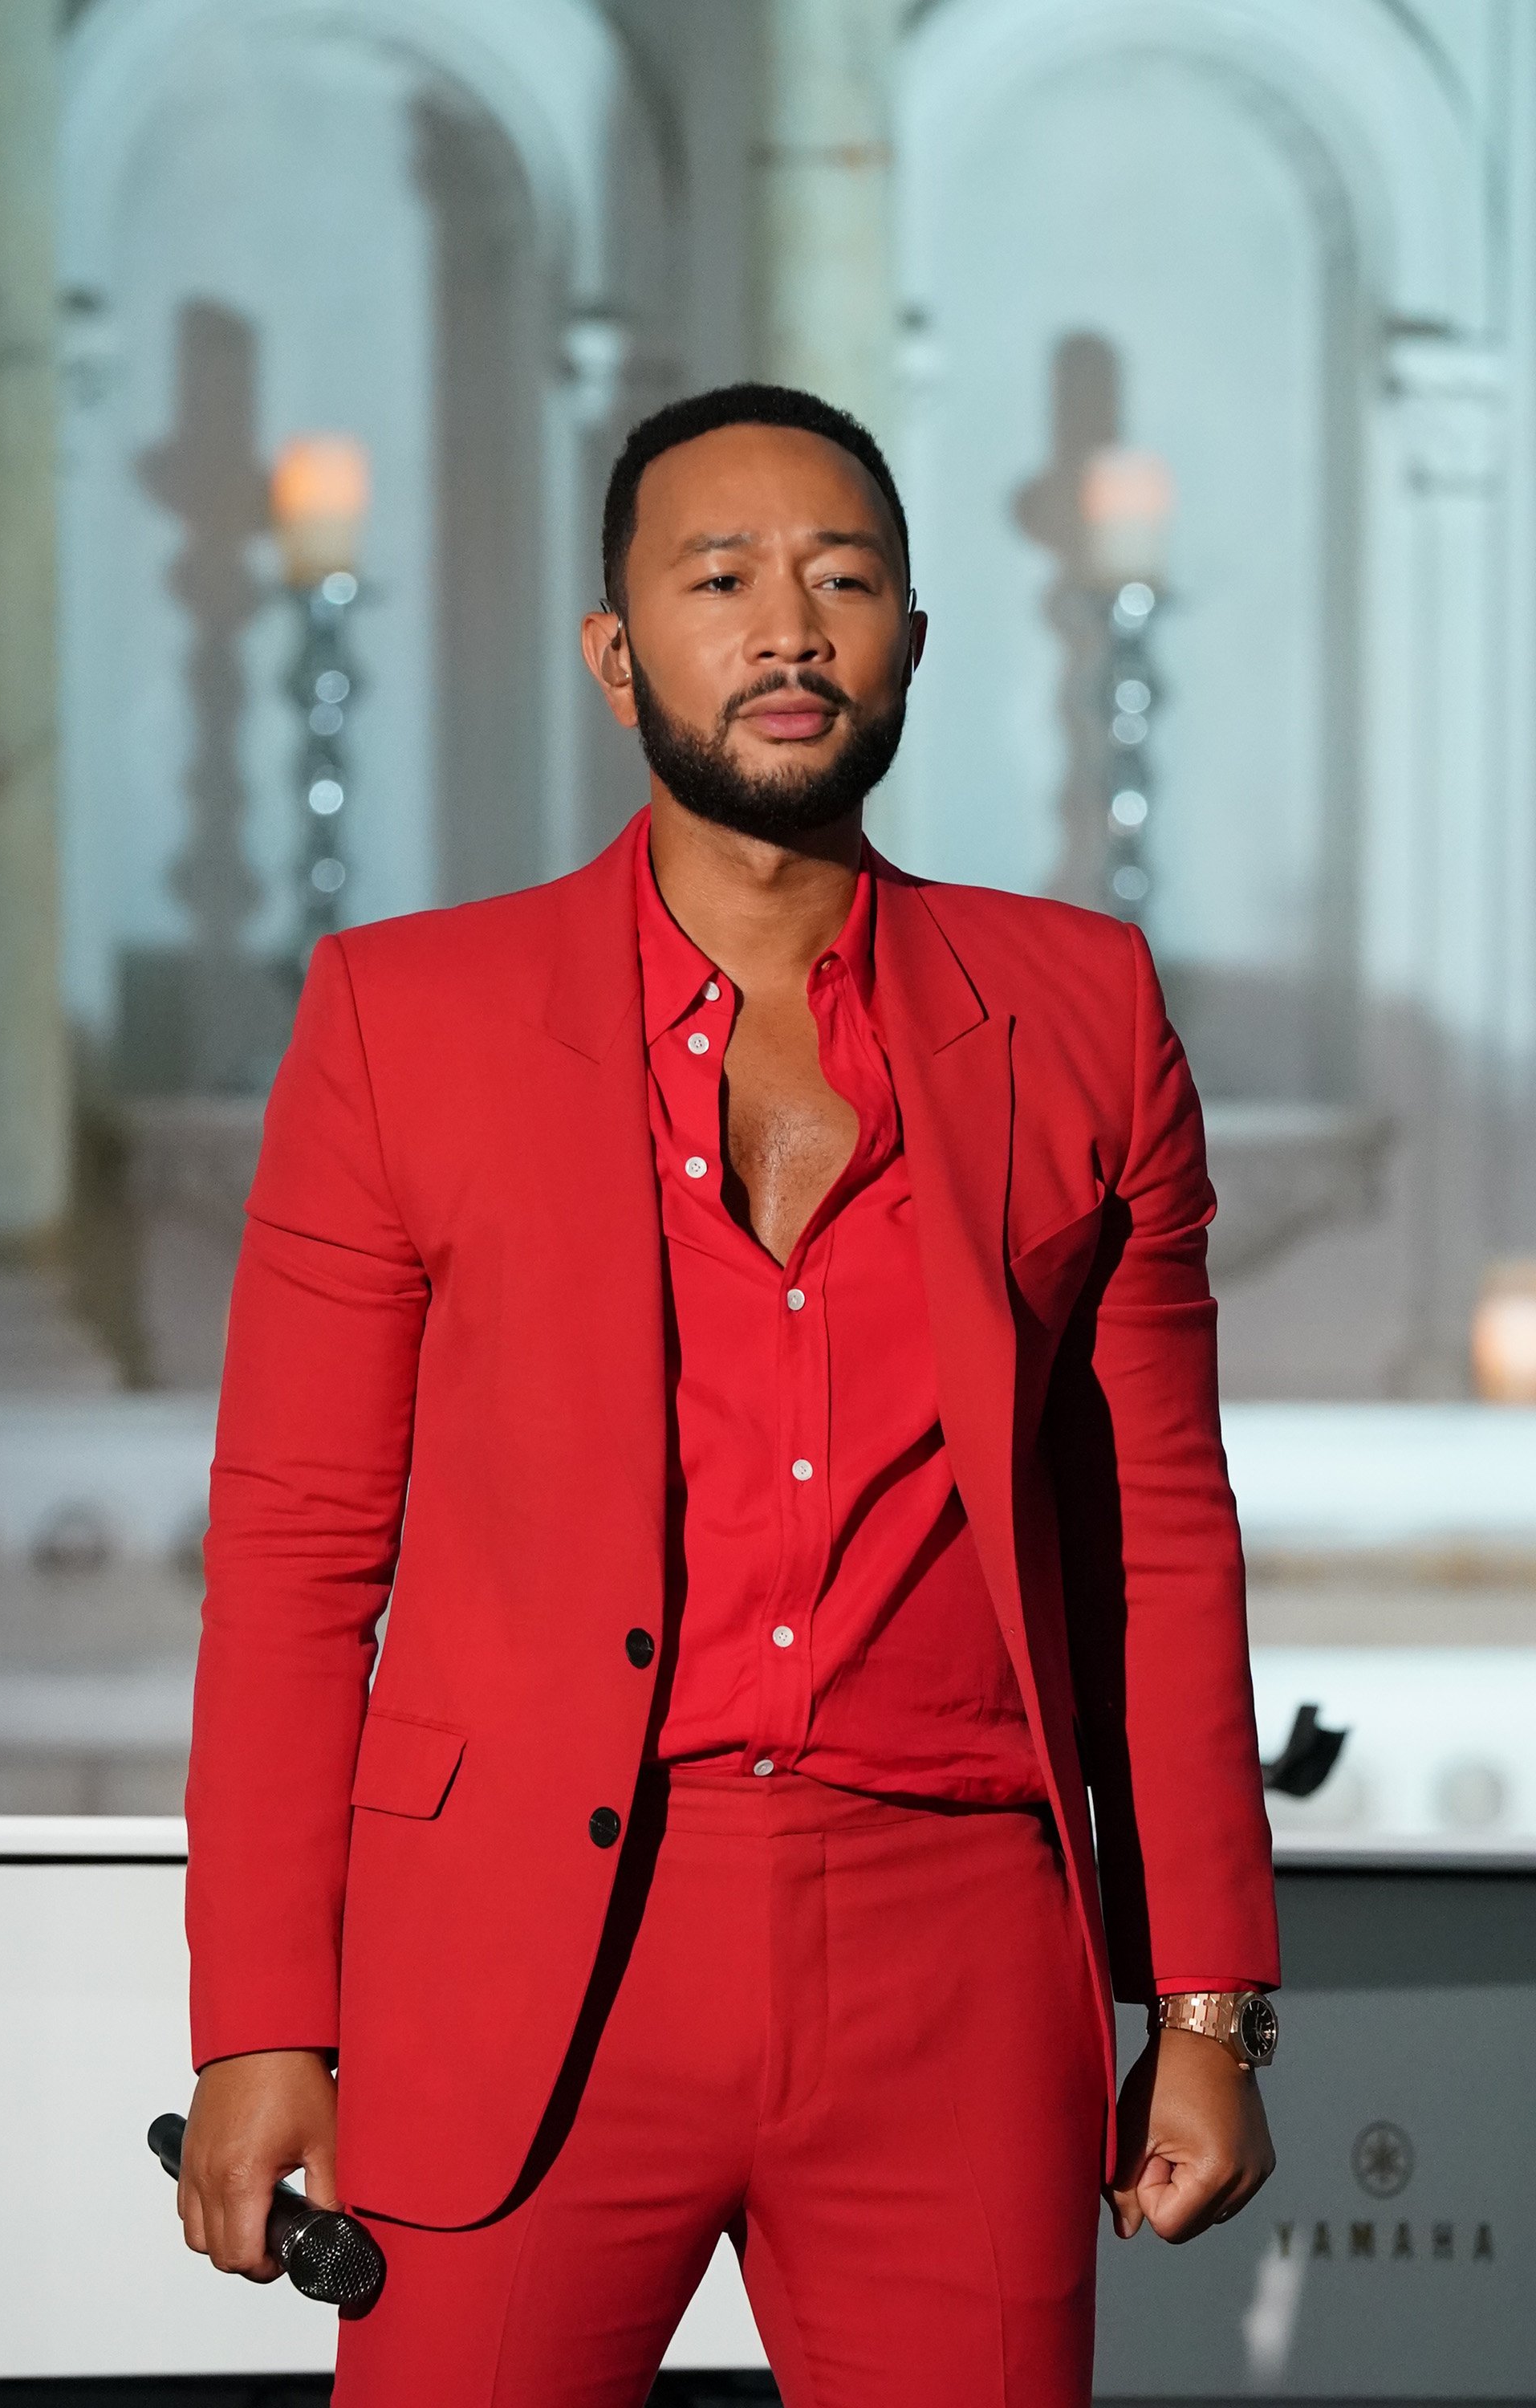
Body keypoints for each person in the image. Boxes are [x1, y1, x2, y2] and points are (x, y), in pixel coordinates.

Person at [177, 382, 1278, 2406]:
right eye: (721, 579)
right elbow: (294, 1556)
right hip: (528, 1951)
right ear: (617, 658)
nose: (789, 628)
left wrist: (1204, 2000)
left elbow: (1159, 1533)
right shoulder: (400, 1021)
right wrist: (259, 2020)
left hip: (956, 1943)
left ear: (913, 646)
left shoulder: (1080, 1010)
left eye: (844, 579)